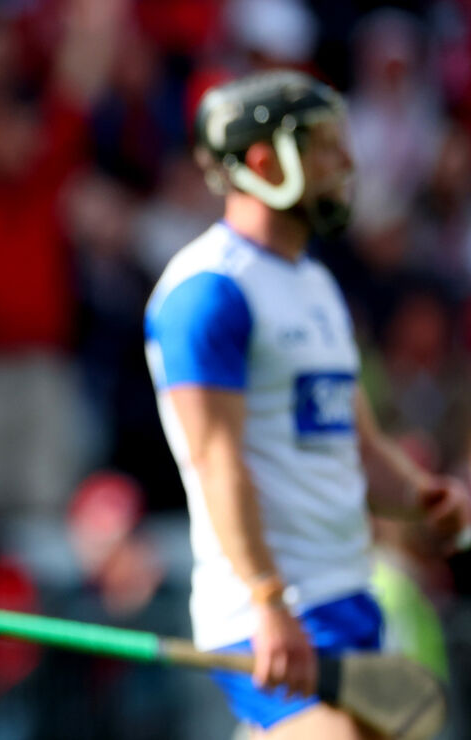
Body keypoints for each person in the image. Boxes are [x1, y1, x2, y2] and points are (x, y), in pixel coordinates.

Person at [144, 69, 471, 739]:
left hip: (350, 597)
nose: (346, 162)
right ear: (264, 161)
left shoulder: (316, 286)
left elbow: (358, 447)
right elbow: (214, 461)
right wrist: (266, 599)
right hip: (267, 612)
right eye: (324, 146)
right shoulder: (207, 291)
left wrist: (423, 497)